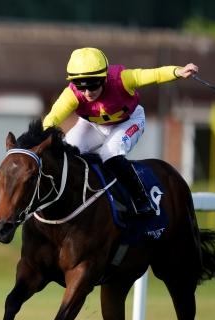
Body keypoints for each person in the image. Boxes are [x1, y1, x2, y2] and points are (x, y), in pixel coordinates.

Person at [43, 47, 198, 216]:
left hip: (128, 121)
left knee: (109, 154)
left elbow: (154, 74)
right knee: (66, 153)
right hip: (93, 125)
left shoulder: (122, 79)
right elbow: (51, 119)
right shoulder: (71, 94)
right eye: (81, 86)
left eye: (93, 86)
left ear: (104, 78)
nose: (87, 93)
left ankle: (141, 199)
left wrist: (178, 71)